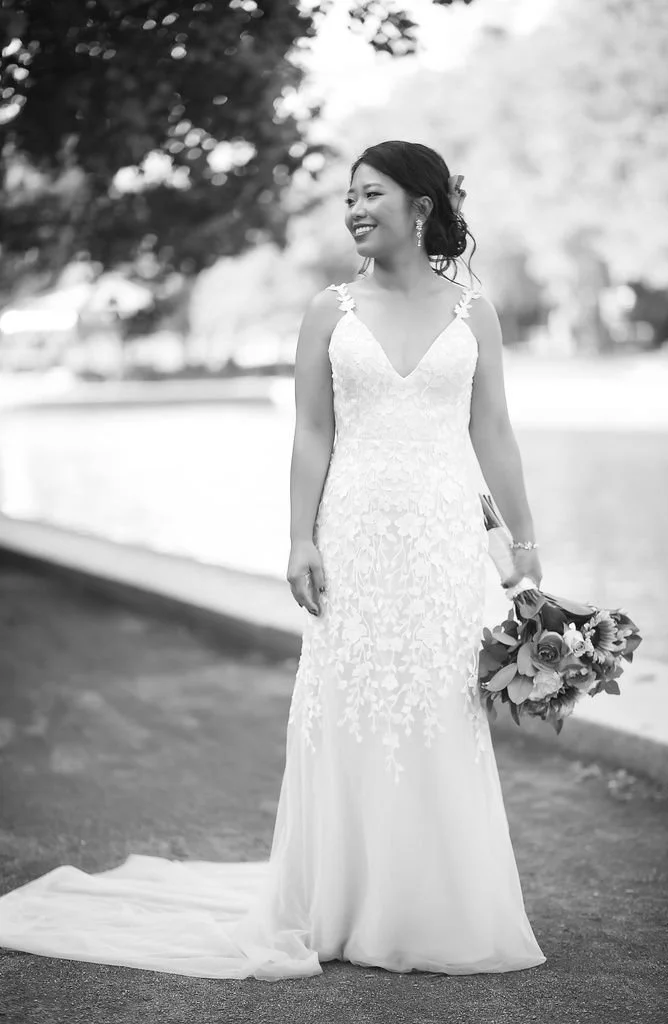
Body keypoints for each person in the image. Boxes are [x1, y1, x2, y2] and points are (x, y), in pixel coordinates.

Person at [0, 140, 546, 981]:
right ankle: (338, 899)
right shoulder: (330, 310)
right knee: (350, 701)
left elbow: (494, 431)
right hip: (352, 531)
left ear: (421, 206)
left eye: (370, 194)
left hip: (442, 539)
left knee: (438, 704)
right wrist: (299, 537)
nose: (354, 209)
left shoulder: (475, 312)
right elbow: (311, 432)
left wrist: (526, 547)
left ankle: (431, 903)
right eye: (348, 197)